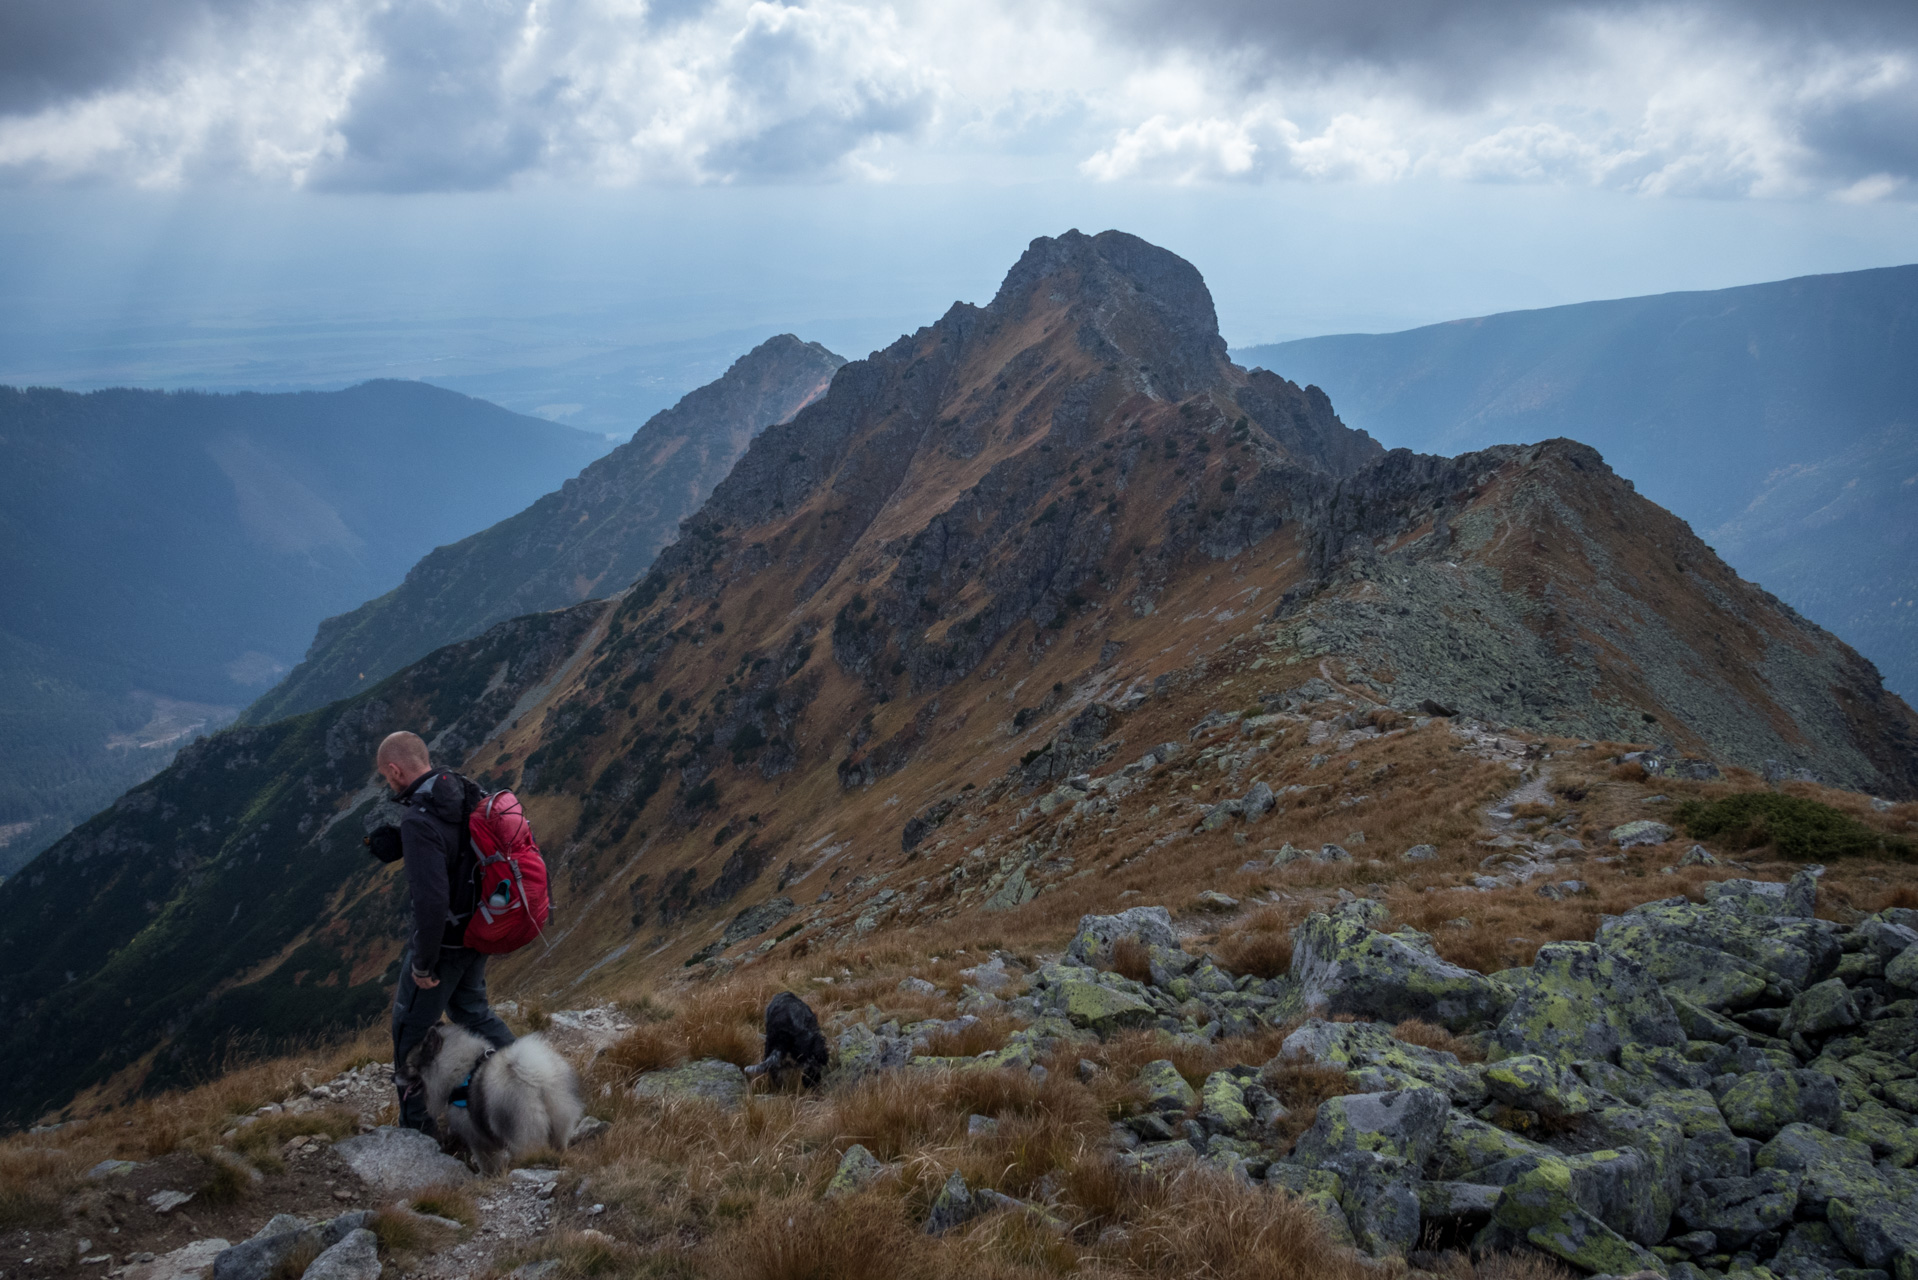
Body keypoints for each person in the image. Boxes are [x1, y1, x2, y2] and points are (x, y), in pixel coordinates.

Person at [373, 730, 515, 1135]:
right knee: (473, 1013)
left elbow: (431, 902)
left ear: (396, 769)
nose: (390, 783)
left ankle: (416, 1125)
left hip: (445, 944)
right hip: (479, 930)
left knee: (409, 1028)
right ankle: (530, 1080)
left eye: (387, 777)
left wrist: (423, 962)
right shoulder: (465, 792)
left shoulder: (420, 818)